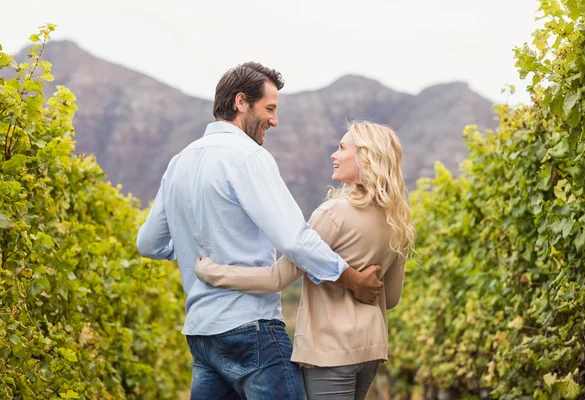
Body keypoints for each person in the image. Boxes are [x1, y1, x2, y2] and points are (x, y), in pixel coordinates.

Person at [136, 62, 383, 400]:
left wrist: (194, 242)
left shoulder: (179, 162)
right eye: (269, 108)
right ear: (241, 102)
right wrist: (352, 279)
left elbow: (148, 243)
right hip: (252, 330)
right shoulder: (248, 157)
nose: (274, 120)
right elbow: (295, 240)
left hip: (203, 334)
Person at [196, 121, 415, 400]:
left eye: (342, 147)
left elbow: (278, 278)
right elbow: (391, 298)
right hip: (371, 349)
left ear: (365, 156)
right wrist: (358, 284)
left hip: (330, 353)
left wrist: (211, 272)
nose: (333, 155)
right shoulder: (397, 221)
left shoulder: (334, 213)